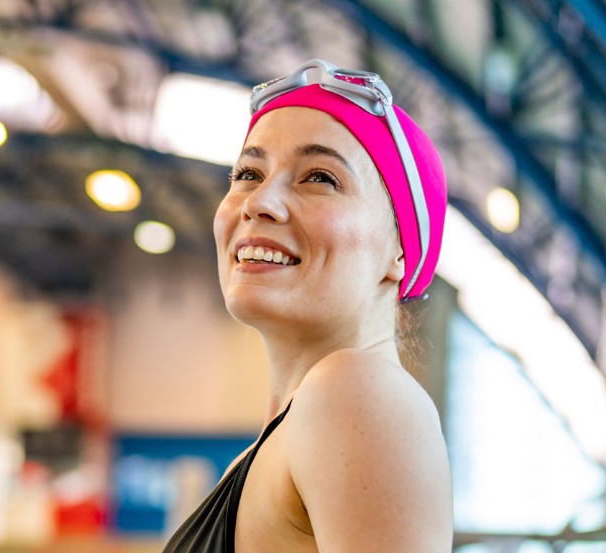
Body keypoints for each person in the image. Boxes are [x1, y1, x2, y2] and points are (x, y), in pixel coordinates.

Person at [162, 59, 453, 552]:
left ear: (399, 251)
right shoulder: (265, 451)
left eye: (319, 177)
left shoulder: (358, 395)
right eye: (248, 173)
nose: (260, 201)